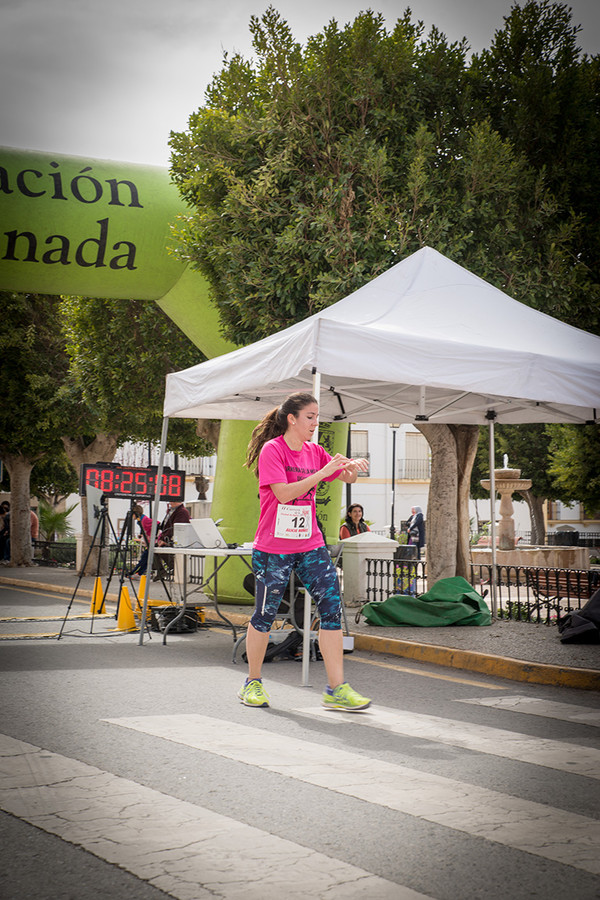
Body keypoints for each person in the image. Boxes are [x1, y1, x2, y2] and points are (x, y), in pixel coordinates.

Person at [240, 391, 371, 711]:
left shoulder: (316, 451)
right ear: (292, 419)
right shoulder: (273, 450)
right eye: (310, 417)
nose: (316, 423)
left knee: (331, 607)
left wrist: (352, 467)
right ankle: (252, 682)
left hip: (310, 544)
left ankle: (336, 689)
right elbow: (283, 494)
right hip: (273, 547)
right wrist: (324, 473)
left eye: (317, 417)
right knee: (265, 614)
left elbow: (345, 475)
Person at [128, 504, 152, 577]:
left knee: (144, 558)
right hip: (150, 542)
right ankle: (138, 573)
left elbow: (154, 525)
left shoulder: (144, 520)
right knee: (146, 559)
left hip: (151, 542)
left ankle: (134, 573)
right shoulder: (142, 520)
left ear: (135, 514)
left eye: (133, 514)